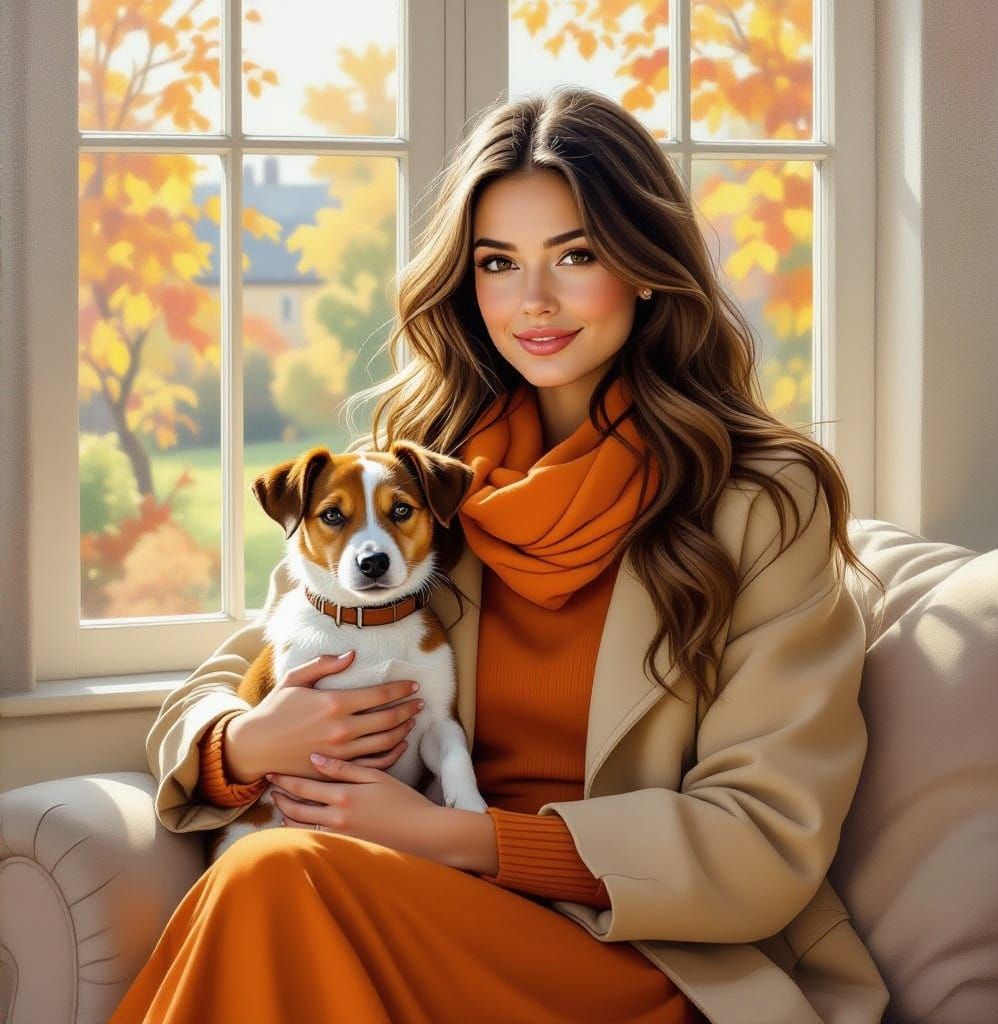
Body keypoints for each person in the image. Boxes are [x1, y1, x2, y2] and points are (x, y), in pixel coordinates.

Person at [109, 86, 890, 1024]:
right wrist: (246, 742)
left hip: (635, 949)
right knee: (276, 878)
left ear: (646, 267)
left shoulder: (761, 500)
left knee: (276, 882)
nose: (534, 302)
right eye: (497, 263)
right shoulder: (419, 472)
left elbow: (767, 834)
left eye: (577, 255)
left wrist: (459, 837)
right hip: (408, 901)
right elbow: (228, 677)